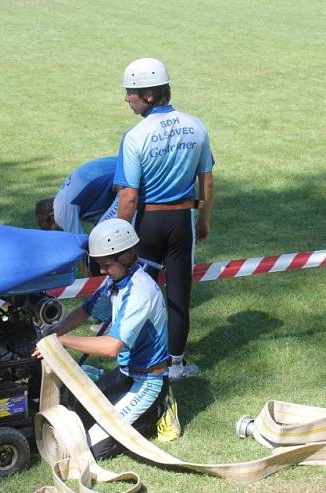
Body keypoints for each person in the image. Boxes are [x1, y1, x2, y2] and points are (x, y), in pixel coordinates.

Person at [33, 218, 170, 459]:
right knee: (78, 412)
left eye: (105, 265)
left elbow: (111, 347)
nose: (101, 271)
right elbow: (87, 309)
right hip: (126, 373)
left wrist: (61, 342)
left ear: (125, 258)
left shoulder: (141, 291)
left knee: (93, 449)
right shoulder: (117, 279)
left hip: (149, 382)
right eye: (98, 265)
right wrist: (55, 332)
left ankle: (157, 411)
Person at [114, 58, 215, 381]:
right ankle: (175, 365)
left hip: (148, 223)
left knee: (138, 292)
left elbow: (129, 196)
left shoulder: (135, 136)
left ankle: (137, 363)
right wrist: (204, 221)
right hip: (182, 221)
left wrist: (118, 234)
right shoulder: (196, 125)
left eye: (131, 92)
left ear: (149, 95)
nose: (126, 98)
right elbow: (207, 181)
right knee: (179, 294)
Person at [35, 156, 119, 235]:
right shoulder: (69, 199)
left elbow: (78, 242)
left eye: (57, 229)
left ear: (52, 216)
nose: (61, 231)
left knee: (103, 232)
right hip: (123, 168)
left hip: (124, 180)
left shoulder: (61, 209)